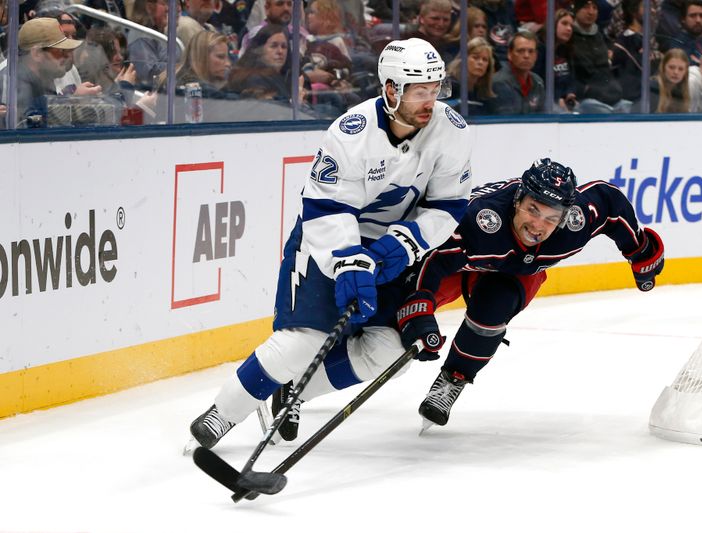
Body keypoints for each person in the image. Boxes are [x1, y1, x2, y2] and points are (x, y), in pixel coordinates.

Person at [189, 37, 474, 449]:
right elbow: (325, 209)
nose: (429, 101)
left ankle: (294, 393)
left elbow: (448, 205)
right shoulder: (350, 132)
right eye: (418, 91)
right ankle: (223, 413)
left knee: (391, 351)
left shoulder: (452, 131)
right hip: (330, 243)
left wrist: (406, 242)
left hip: (394, 251)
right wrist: (350, 261)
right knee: (304, 341)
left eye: (435, 89)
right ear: (391, 89)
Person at [402, 158, 664, 428]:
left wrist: (639, 250)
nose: (538, 225)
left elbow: (610, 204)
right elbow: (431, 260)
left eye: (551, 217)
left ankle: (453, 379)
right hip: (458, 263)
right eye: (533, 210)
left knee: (492, 311)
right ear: (518, 199)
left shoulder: (576, 222)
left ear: (564, 216)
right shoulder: (478, 220)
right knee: (397, 314)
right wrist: (417, 308)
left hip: (517, 271)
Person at [571, 0, 631, 113]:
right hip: (585, 98)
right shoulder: (570, 38)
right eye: (586, 7)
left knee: (629, 106)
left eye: (594, 8)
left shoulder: (599, 36)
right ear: (576, 10)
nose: (591, 12)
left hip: (607, 93)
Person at [534, 8, 578, 111]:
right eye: (564, 23)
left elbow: (571, 77)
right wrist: (557, 99)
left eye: (571, 26)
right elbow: (538, 82)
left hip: (564, 100)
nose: (569, 29)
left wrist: (570, 93)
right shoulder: (539, 49)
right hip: (546, 102)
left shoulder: (565, 49)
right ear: (552, 24)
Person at [492, 30, 545, 114]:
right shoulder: (499, 83)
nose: (526, 56)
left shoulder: (538, 82)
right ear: (509, 54)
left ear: (536, 56)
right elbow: (506, 121)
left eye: (531, 51)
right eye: (521, 51)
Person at [445, 36, 498, 115]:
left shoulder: (484, 94)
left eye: (485, 60)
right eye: (475, 57)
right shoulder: (448, 86)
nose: (480, 62)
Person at [650, 47, 690, 113]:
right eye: (671, 67)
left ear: (686, 72)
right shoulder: (652, 89)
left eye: (681, 69)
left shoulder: (681, 92)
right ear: (663, 67)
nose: (676, 72)